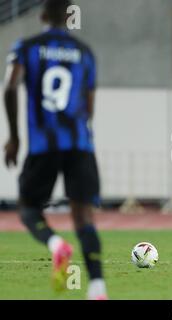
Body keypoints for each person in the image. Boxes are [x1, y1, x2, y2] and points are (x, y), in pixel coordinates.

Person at [3, 0, 107, 299]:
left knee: (27, 209)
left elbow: (10, 87)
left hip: (42, 146)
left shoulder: (27, 46)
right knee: (84, 217)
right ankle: (98, 288)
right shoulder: (85, 53)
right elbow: (89, 108)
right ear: (69, 16)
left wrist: (14, 137)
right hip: (79, 145)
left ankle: (55, 244)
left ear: (43, 16)